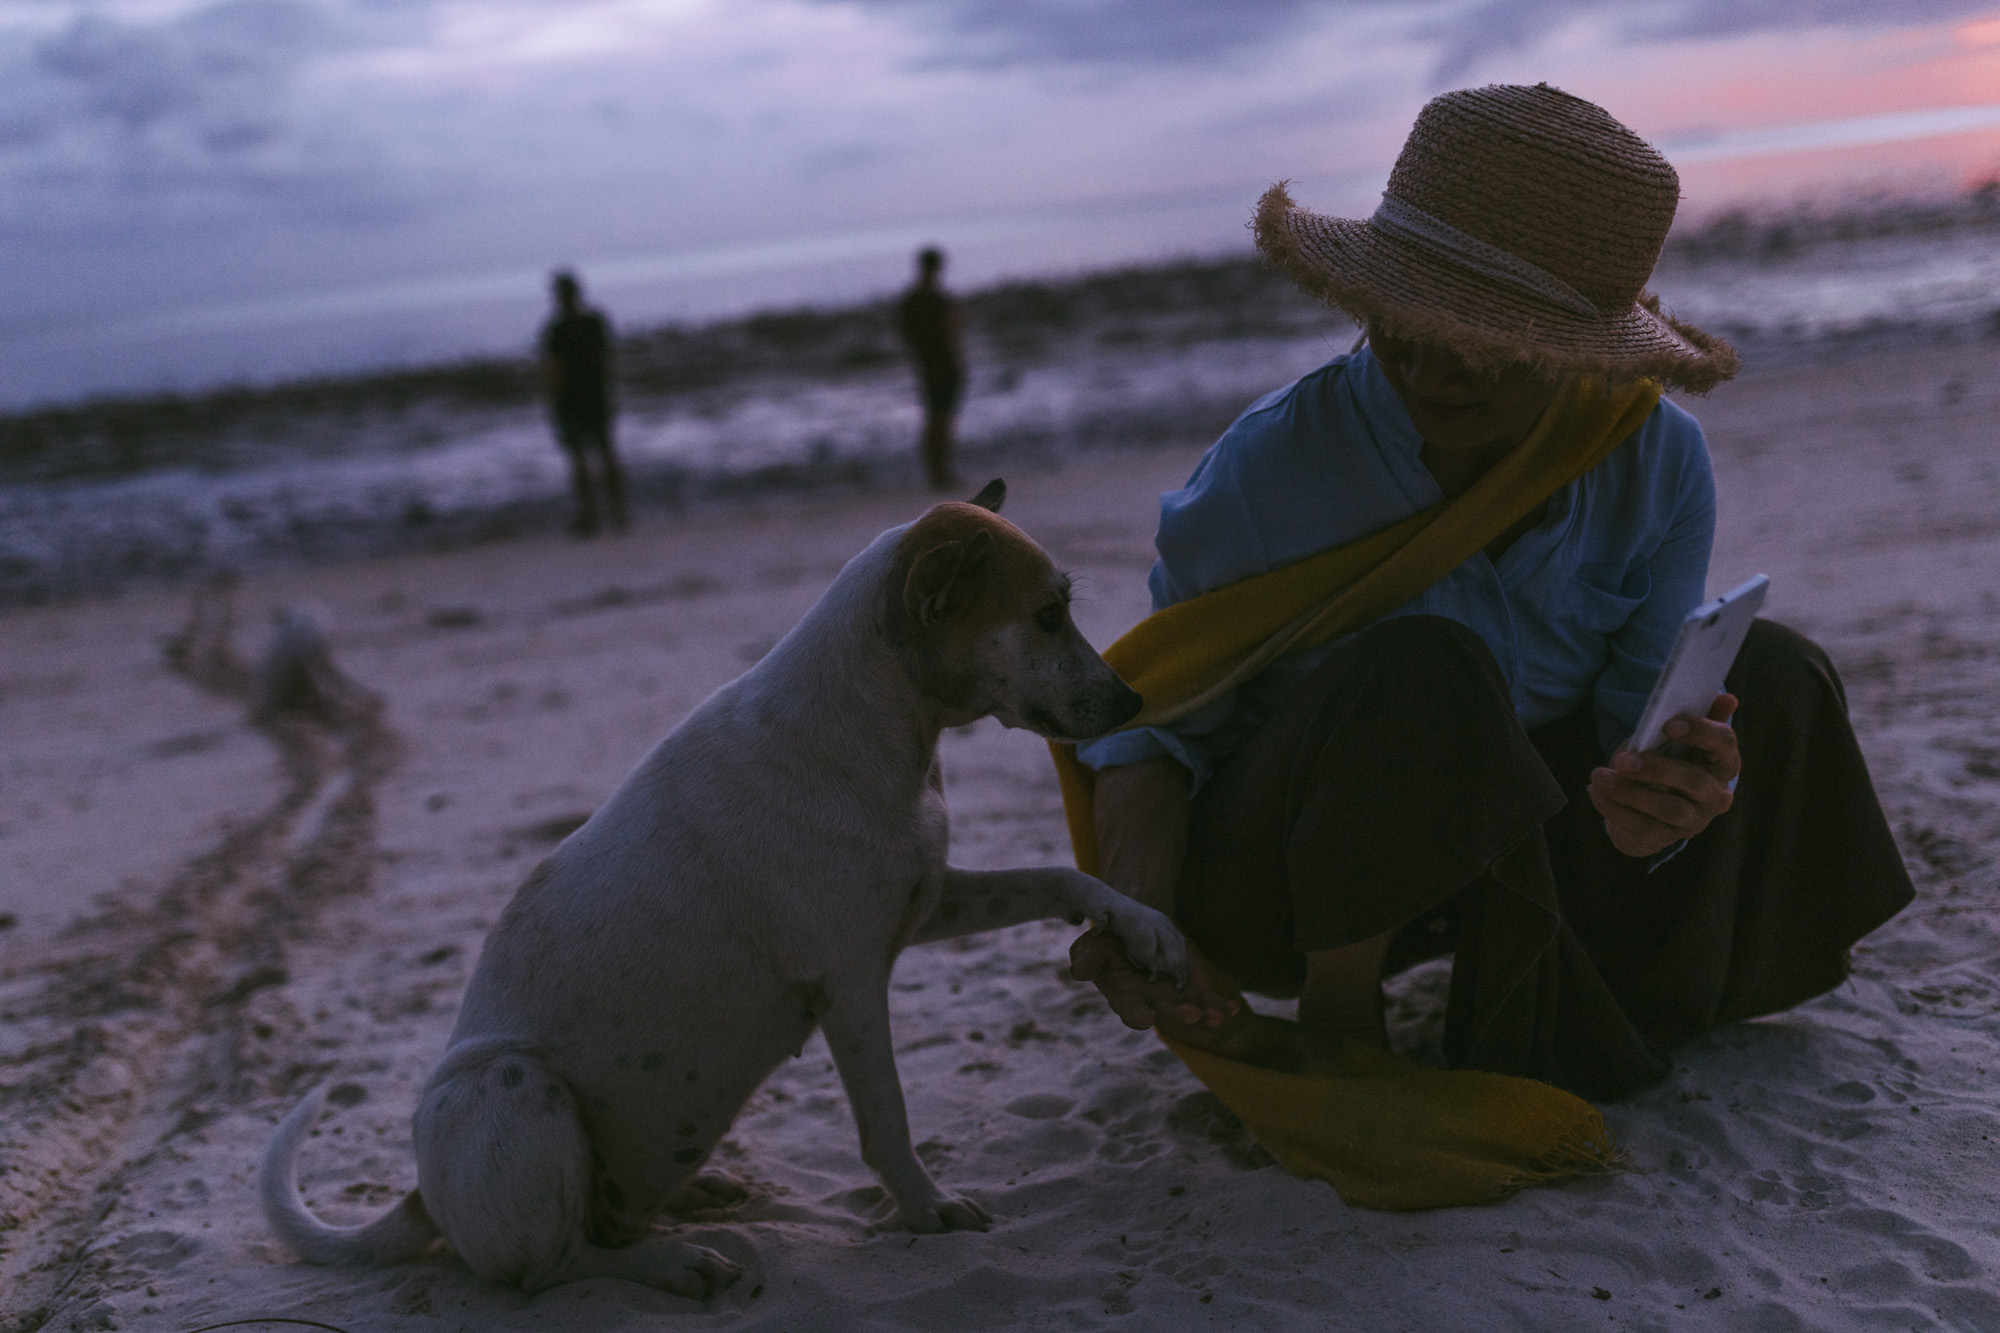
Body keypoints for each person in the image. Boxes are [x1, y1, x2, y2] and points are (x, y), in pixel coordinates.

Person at [1062, 84, 1914, 1102]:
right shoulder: (1268, 472)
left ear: (1579, 353)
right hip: (1292, 883)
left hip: (1511, 847)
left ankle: (1610, 985)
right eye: (1399, 321)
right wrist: (1135, 916)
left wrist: (1664, 803)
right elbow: (1155, 726)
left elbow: (1626, 732)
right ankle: (1347, 1010)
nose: (1431, 369)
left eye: (1483, 343)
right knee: (1421, 665)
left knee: (1769, 671)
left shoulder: (1650, 460)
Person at [540, 270, 628, 536]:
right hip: (597, 395)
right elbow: (607, 359)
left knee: (579, 458)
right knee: (606, 453)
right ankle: (618, 513)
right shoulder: (595, 322)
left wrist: (553, 401)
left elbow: (555, 369)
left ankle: (590, 516)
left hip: (572, 400)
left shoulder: (557, 329)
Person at [898, 247, 966, 491]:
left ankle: (936, 471)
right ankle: (940, 471)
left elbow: (905, 334)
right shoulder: (937, 300)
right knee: (942, 420)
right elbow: (951, 330)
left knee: (934, 419)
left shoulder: (911, 301)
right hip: (943, 366)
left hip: (926, 367)